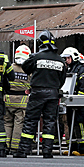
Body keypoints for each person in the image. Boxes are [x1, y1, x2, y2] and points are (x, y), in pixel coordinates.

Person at [13, 30, 66, 159]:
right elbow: (62, 80)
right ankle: (47, 152)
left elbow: (26, 68)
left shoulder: (36, 57)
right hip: (53, 94)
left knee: (30, 121)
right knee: (49, 122)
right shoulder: (60, 60)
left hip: (37, 93)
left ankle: (23, 151)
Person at [62, 47, 84, 156]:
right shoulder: (69, 69)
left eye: (68, 58)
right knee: (70, 123)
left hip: (78, 101)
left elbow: (83, 87)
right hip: (70, 100)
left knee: (79, 123)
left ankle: (82, 148)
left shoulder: (81, 69)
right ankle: (72, 147)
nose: (66, 60)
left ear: (73, 57)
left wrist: (79, 99)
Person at [4, 45, 31, 155]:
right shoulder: (28, 70)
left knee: (7, 123)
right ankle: (15, 147)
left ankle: (5, 146)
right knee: (19, 123)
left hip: (8, 99)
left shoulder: (10, 67)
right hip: (22, 101)